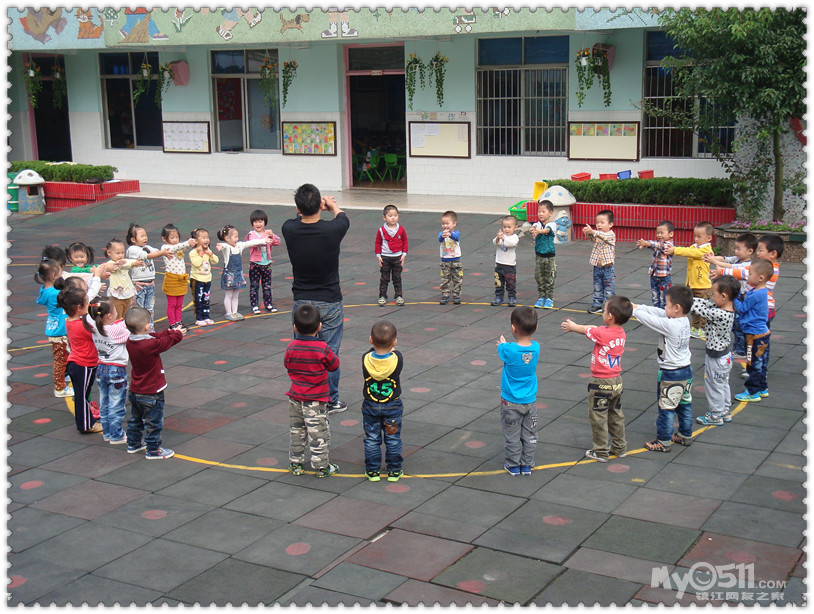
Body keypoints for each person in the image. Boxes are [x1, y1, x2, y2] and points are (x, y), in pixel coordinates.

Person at [282, 183, 350, 414]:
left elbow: (298, 218)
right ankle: (330, 399)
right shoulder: (333, 229)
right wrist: (331, 206)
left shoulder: (289, 229)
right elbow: (342, 217)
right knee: (329, 352)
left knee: (303, 349)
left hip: (302, 300)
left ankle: (304, 394)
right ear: (320, 205)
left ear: (298, 208)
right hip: (329, 300)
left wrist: (312, 207)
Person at [561, 295, 632, 462]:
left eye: (604, 310)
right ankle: (620, 446)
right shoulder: (621, 333)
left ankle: (600, 451)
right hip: (616, 381)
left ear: (610, 316)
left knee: (598, 417)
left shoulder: (602, 334)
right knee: (616, 415)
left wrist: (573, 327)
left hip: (600, 382)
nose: (603, 313)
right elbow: (594, 328)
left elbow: (588, 330)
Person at [632, 285, 694, 453]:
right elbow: (659, 313)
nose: (664, 307)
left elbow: (651, 320)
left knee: (666, 408)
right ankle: (685, 434)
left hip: (671, 373)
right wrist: (638, 307)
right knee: (684, 404)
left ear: (676, 308)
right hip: (686, 370)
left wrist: (634, 311)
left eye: (667, 304)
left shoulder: (670, 325)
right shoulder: (683, 320)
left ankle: (664, 441)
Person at [713, 233, 783, 375]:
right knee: (755, 341)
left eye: (761, 250)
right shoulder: (766, 267)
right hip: (759, 309)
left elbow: (743, 273)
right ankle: (756, 367)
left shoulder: (770, 270)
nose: (757, 253)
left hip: (761, 311)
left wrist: (723, 272)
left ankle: (758, 369)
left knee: (758, 342)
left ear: (773, 253)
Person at [284, 304, 340, 478]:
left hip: (295, 397)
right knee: (318, 433)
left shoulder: (291, 346)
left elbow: (287, 364)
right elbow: (334, 365)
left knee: (297, 431)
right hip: (315, 399)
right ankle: (321, 466)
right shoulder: (322, 348)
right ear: (319, 327)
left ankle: (296, 463)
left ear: (295, 327)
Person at [125, 307, 186, 459]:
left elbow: (155, 336)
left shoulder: (130, 341)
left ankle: (133, 443)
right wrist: (177, 335)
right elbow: (165, 343)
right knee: (154, 421)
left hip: (136, 389)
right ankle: (153, 449)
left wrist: (170, 331)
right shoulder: (149, 345)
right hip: (152, 390)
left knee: (135, 419)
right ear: (146, 326)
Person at [496, 306, 540, 476]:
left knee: (512, 434)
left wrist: (502, 343)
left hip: (510, 401)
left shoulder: (509, 350)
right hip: (530, 401)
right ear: (535, 328)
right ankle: (527, 464)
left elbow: (502, 348)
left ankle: (513, 464)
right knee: (530, 434)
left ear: (513, 328)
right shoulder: (536, 348)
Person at [692, 276, 740, 425]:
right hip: (724, 356)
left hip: (716, 358)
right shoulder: (725, 308)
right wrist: (691, 297)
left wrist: (684, 300)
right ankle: (724, 411)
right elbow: (706, 303)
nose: (712, 297)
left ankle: (716, 415)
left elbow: (699, 309)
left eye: (714, 294)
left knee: (713, 385)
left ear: (724, 296)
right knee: (723, 383)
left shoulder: (719, 314)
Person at [361, 320, 405, 482]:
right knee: (392, 438)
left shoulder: (366, 358)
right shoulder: (397, 358)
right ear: (394, 342)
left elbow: (371, 352)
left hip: (370, 404)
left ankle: (373, 470)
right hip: (392, 405)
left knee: (372, 438)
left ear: (371, 340)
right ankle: (394, 470)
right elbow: (395, 352)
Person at [704, 232, 757, 358]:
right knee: (734, 324)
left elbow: (731, 267)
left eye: (739, 249)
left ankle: (740, 350)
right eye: (735, 248)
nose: (736, 251)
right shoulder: (738, 259)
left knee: (739, 325)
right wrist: (712, 257)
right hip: (735, 296)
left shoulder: (747, 265)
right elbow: (725, 259)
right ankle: (739, 347)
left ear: (750, 251)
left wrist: (713, 262)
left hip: (741, 297)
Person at [56, 286, 102, 433]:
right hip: (84, 364)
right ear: (78, 308)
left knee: (82, 395)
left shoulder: (71, 321)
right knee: (82, 397)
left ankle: (86, 422)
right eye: (86, 303)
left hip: (79, 363)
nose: (89, 305)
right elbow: (98, 333)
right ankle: (86, 425)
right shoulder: (80, 326)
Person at [89, 299, 130, 444]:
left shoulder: (93, 326)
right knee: (116, 404)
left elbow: (115, 327)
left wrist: (119, 323)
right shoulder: (114, 330)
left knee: (105, 403)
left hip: (101, 368)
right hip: (116, 370)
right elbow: (130, 334)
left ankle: (107, 433)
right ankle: (116, 435)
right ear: (109, 316)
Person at [664, 221, 714, 339]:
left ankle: (702, 328)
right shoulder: (695, 247)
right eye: (695, 236)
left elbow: (690, 252)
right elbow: (689, 250)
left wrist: (675, 250)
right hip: (693, 284)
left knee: (702, 309)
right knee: (693, 307)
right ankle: (695, 327)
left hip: (702, 285)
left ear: (709, 238)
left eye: (699, 237)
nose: (696, 239)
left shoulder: (706, 250)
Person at [732, 258, 773, 402]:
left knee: (752, 363)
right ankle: (762, 387)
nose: (747, 276)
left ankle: (752, 391)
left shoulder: (756, 294)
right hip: (762, 333)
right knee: (761, 361)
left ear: (760, 277)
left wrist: (734, 298)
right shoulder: (760, 291)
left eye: (750, 273)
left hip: (753, 335)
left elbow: (742, 308)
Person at [215, 224, 273, 321]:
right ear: (227, 238)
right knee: (229, 295)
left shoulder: (239, 246)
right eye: (235, 237)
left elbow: (250, 243)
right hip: (229, 275)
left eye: (237, 237)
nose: (237, 239)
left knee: (236, 295)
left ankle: (235, 312)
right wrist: (221, 245)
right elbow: (224, 246)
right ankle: (229, 313)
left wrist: (264, 240)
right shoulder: (227, 248)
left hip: (238, 274)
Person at [35, 259, 73, 397]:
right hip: (60, 330)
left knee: (64, 357)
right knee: (60, 361)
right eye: (60, 273)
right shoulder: (55, 293)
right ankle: (59, 388)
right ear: (53, 276)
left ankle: (64, 378)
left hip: (54, 328)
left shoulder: (45, 290)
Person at [126, 223, 168, 332]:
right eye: (142, 236)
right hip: (139, 285)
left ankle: (150, 328)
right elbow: (148, 256)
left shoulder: (147, 247)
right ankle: (138, 328)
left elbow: (156, 251)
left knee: (150, 308)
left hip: (150, 284)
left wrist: (168, 249)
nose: (145, 238)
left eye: (145, 235)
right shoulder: (133, 249)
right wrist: (162, 253)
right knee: (139, 308)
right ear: (133, 239)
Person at [160, 223, 197, 329]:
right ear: (164, 239)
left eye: (176, 237)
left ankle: (178, 321)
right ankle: (173, 323)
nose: (175, 240)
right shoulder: (165, 248)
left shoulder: (179, 247)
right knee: (172, 304)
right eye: (172, 238)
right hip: (172, 279)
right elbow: (176, 247)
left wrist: (191, 243)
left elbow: (183, 247)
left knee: (179, 304)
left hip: (181, 279)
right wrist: (187, 243)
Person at [245, 209, 282, 315]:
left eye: (260, 221)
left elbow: (277, 242)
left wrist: (272, 235)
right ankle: (254, 305)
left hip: (267, 264)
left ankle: (268, 304)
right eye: (256, 222)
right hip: (255, 264)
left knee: (267, 285)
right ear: (252, 223)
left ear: (265, 222)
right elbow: (252, 243)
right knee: (254, 286)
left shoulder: (267, 233)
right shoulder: (251, 234)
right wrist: (264, 238)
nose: (258, 224)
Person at [582, 209, 616, 313]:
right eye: (597, 223)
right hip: (597, 267)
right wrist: (588, 233)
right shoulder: (598, 235)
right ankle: (597, 305)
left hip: (608, 268)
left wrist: (593, 232)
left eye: (602, 222)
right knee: (597, 287)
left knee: (609, 289)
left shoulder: (610, 235)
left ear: (610, 224)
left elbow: (604, 237)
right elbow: (593, 239)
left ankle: (609, 306)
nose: (599, 225)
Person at [102, 238, 143, 321]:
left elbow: (128, 262)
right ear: (109, 252)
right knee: (118, 315)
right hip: (117, 294)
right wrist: (132, 264)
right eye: (117, 253)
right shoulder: (110, 264)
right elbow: (118, 266)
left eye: (122, 253)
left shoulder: (123, 261)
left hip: (127, 293)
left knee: (126, 314)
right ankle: (117, 327)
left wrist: (135, 263)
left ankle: (124, 327)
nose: (120, 255)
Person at [375, 204, 409, 307]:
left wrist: (404, 254)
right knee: (384, 278)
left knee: (397, 278)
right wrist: (378, 256)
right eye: (390, 216)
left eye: (395, 215)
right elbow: (378, 243)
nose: (393, 218)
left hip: (397, 257)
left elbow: (405, 242)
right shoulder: (381, 230)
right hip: (385, 257)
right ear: (384, 217)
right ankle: (382, 296)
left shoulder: (401, 229)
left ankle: (399, 296)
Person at [636, 220, 674, 309]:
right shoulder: (658, 243)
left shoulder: (669, 245)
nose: (659, 235)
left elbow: (660, 246)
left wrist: (647, 243)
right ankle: (656, 311)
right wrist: (645, 244)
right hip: (654, 275)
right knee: (655, 297)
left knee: (664, 298)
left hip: (664, 277)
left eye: (662, 233)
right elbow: (655, 246)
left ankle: (664, 313)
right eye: (658, 233)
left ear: (671, 234)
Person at [530, 200, 557, 309]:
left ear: (550, 213)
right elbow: (532, 228)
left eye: (543, 211)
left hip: (549, 257)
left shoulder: (552, 224)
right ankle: (541, 297)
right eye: (539, 211)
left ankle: (549, 298)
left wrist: (538, 231)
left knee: (549, 277)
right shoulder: (537, 224)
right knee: (539, 276)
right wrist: (532, 230)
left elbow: (547, 230)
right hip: (539, 256)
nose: (540, 214)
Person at [188, 227, 218, 326]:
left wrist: (210, 253)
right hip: (197, 279)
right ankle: (199, 318)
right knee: (198, 299)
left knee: (206, 298)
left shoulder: (208, 251)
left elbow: (216, 261)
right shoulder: (193, 253)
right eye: (203, 238)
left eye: (207, 237)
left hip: (207, 279)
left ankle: (206, 316)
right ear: (196, 241)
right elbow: (196, 263)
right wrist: (200, 253)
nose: (206, 240)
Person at [491, 215, 520, 307]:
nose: (506, 229)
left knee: (510, 283)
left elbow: (511, 244)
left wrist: (503, 238)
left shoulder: (514, 237)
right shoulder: (501, 236)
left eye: (509, 227)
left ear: (515, 228)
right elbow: (495, 242)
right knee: (498, 283)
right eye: (504, 227)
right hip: (499, 264)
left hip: (510, 265)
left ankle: (512, 297)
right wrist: (498, 237)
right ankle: (499, 297)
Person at [438, 210, 463, 305]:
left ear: (454, 224)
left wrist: (450, 234)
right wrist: (443, 236)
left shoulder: (456, 233)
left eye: (447, 223)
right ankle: (445, 294)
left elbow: (457, 237)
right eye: (443, 223)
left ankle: (457, 295)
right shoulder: (441, 234)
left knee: (457, 278)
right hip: (445, 261)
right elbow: (439, 238)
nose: (445, 226)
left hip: (456, 260)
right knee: (445, 279)